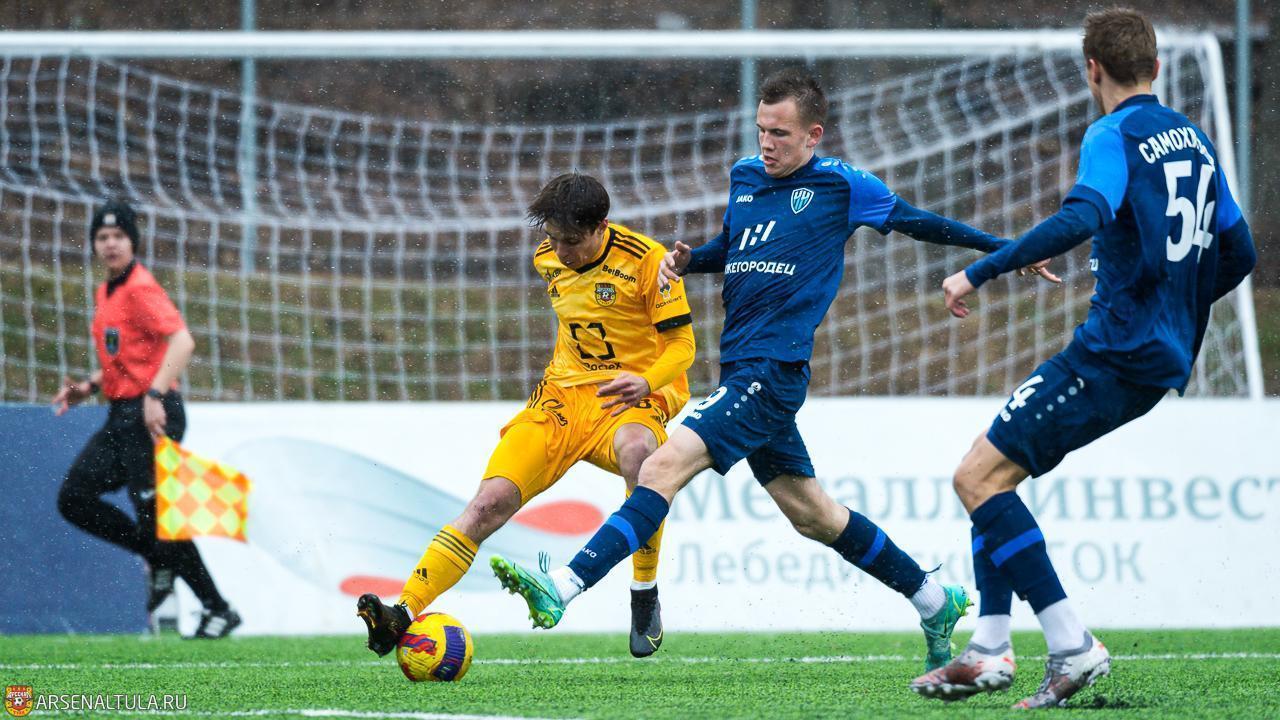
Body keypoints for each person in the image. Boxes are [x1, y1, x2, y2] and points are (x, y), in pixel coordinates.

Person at [489, 68, 1057, 672]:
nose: (766, 143)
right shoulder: (745, 176)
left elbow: (921, 222)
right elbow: (735, 249)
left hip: (773, 368)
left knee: (659, 467)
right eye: (761, 130)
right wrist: (690, 261)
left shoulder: (843, 185)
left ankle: (565, 586)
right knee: (811, 513)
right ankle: (933, 600)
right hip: (741, 365)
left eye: (780, 133)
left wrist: (1005, 252)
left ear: (813, 135)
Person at [909, 8, 1257, 709]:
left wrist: (980, 270)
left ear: (1091, 70)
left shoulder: (1112, 133)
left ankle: (1071, 645)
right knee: (990, 469)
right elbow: (1240, 251)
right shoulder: (1194, 139)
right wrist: (1176, 303)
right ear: (1155, 67)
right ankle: (989, 646)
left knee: (976, 478)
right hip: (1155, 353)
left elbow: (1083, 215)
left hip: (1114, 350)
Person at [358, 173, 697, 658]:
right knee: (487, 503)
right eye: (553, 238)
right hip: (561, 400)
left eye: (571, 241)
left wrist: (645, 381)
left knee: (640, 456)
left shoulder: (648, 261)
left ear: (601, 226)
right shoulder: (546, 258)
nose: (560, 251)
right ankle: (403, 612)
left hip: (631, 396)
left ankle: (643, 592)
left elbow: (683, 347)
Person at [53, 199, 241, 639]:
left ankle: (217, 608)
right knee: (75, 498)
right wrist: (89, 386)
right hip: (123, 415)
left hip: (153, 415)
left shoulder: (140, 287)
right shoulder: (107, 291)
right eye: (102, 237)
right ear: (94, 244)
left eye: (119, 236)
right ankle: (160, 560)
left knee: (158, 519)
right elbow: (127, 356)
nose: (111, 243)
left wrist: (155, 394)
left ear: (133, 241)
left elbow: (183, 341)